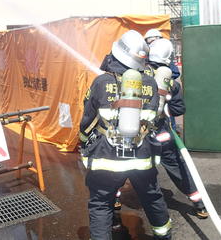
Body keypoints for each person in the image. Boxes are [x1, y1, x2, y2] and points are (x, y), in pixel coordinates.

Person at [80, 30, 173, 240]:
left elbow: (87, 120)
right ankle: (164, 235)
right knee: (152, 198)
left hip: (107, 157)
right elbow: (155, 119)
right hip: (142, 155)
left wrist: (84, 143)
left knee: (101, 205)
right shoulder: (150, 83)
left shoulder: (101, 82)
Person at [146, 38, 209, 219]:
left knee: (129, 168)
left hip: (141, 136)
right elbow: (178, 109)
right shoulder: (172, 83)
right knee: (177, 167)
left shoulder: (139, 75)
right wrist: (163, 112)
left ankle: (116, 202)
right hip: (162, 134)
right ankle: (199, 204)